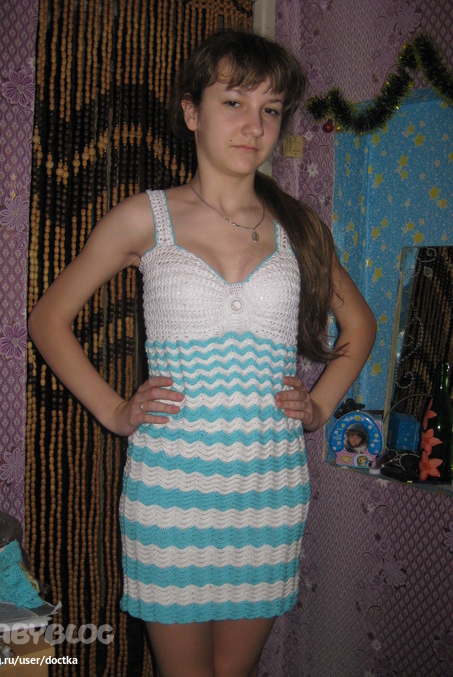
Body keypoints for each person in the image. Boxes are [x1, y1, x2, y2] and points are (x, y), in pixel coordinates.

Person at [29, 30, 376, 677]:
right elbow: (49, 318)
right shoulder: (146, 218)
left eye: (271, 109)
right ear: (192, 111)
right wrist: (113, 409)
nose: (255, 125)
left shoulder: (299, 227)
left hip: (268, 491)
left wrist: (318, 406)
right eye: (234, 102)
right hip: (171, 494)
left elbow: (360, 324)